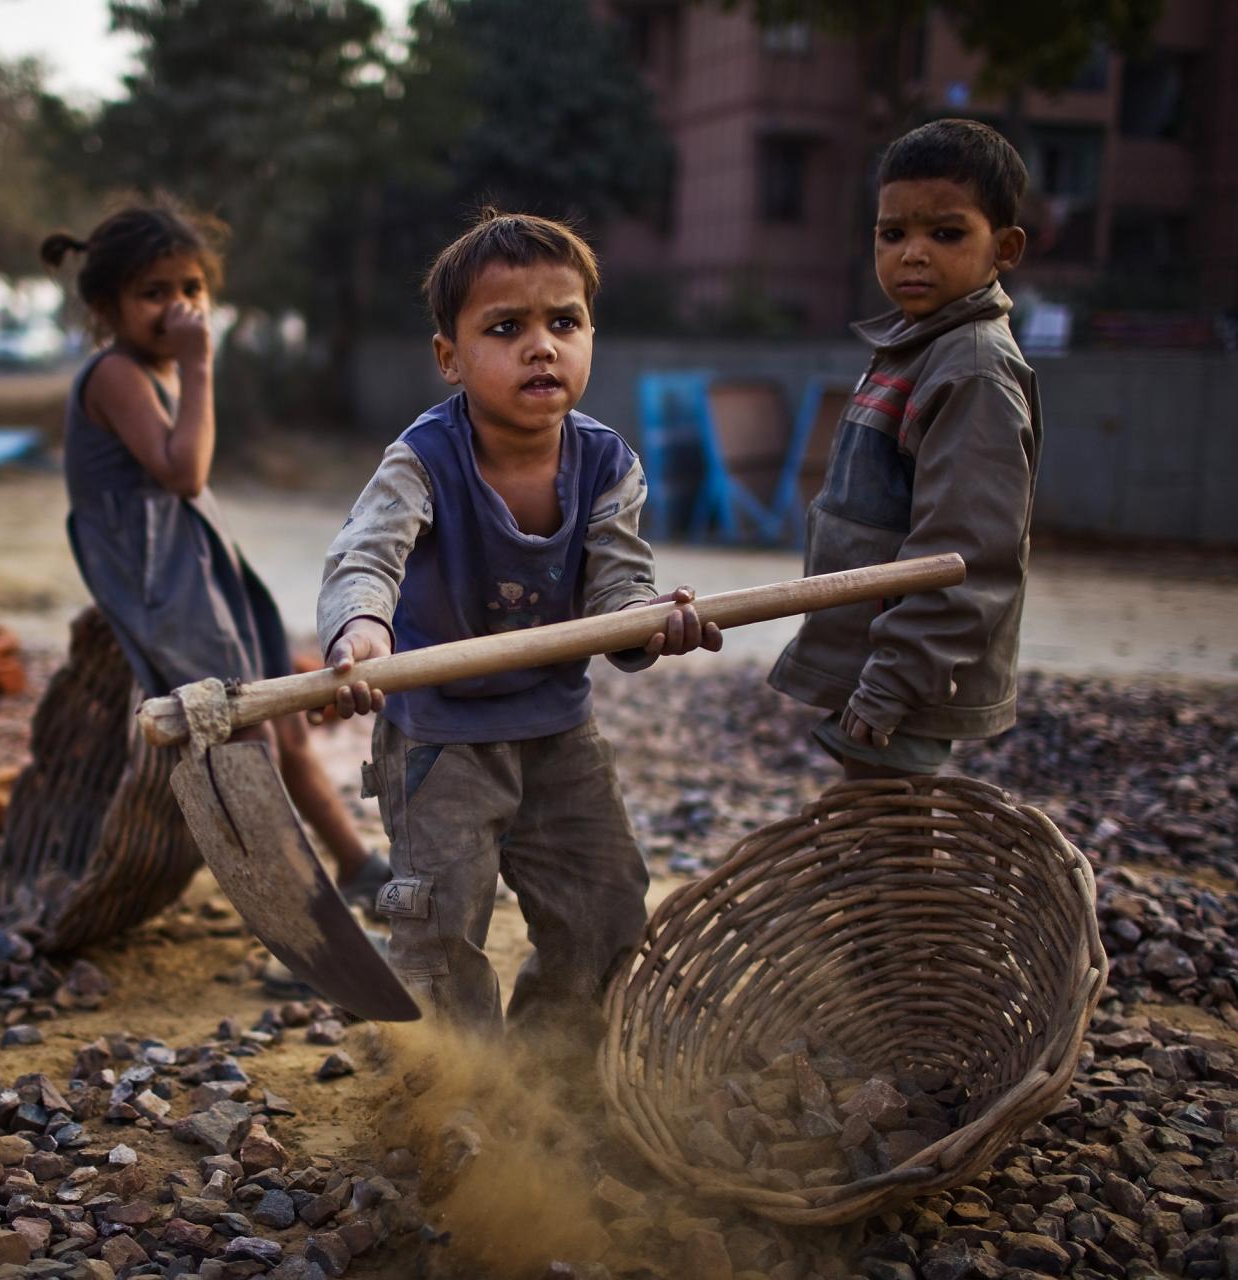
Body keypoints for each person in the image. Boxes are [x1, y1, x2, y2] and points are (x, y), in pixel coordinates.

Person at [317, 210, 720, 1040]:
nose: (543, 346)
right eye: (507, 328)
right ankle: (453, 1099)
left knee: (604, 907)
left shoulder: (609, 463)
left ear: (591, 335)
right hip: (440, 739)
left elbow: (618, 589)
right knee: (438, 928)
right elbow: (365, 555)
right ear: (450, 359)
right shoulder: (424, 459)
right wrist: (361, 628)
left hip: (558, 733)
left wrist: (646, 623)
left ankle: (550, 1079)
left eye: (564, 323)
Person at [42, 204, 390, 906]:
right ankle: (296, 900)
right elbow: (183, 472)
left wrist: (190, 369)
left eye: (192, 290)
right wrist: (201, 366)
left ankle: (353, 864)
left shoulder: (157, 369)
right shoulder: (116, 374)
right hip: (163, 587)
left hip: (200, 574)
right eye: (155, 293)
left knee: (281, 723)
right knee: (240, 740)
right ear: (108, 308)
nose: (179, 308)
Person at [769, 118, 1040, 780]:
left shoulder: (971, 368)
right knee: (874, 837)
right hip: (879, 661)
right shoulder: (915, 347)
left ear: (1004, 247)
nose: (913, 253)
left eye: (945, 233)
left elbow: (965, 555)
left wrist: (894, 680)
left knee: (894, 843)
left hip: (913, 677)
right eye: (894, 234)